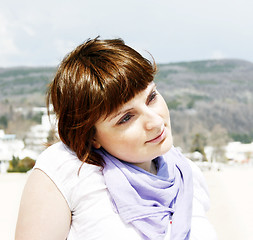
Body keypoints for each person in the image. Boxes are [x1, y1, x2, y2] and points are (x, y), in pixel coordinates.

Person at [15, 38, 217, 240]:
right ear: (91, 136)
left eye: (152, 97)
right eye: (126, 118)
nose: (155, 122)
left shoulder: (186, 173)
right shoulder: (66, 169)